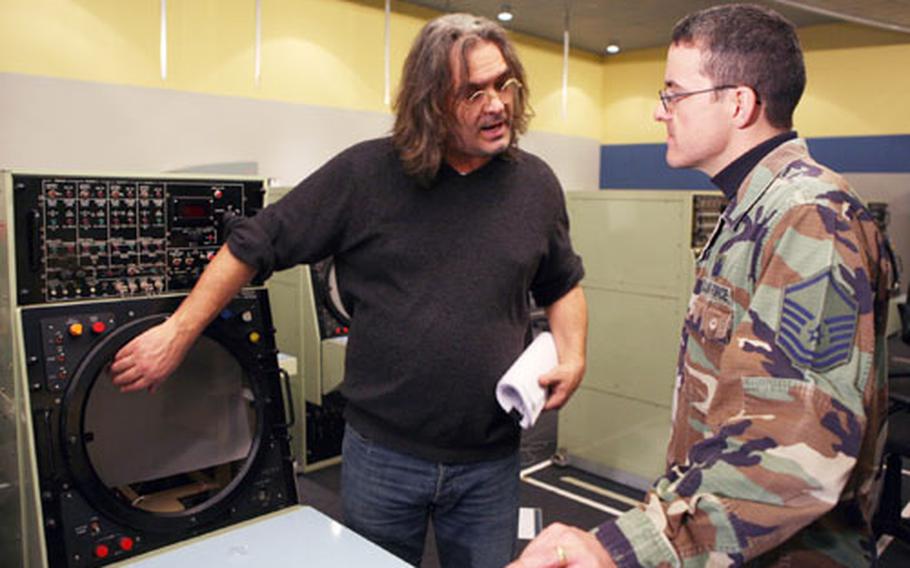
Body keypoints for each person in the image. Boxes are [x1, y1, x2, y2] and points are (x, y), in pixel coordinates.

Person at [109, 13, 587, 568]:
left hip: (489, 463)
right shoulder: (366, 175)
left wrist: (573, 353)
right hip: (384, 458)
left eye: (504, 83)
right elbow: (253, 244)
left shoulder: (535, 185)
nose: (498, 104)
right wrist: (178, 331)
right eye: (472, 93)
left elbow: (563, 283)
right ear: (430, 103)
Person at [511, 4, 894, 567]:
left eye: (674, 94)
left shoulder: (809, 218)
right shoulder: (753, 210)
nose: (658, 112)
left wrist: (619, 549)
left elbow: (795, 455)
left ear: (738, 103)